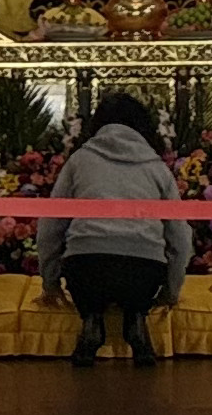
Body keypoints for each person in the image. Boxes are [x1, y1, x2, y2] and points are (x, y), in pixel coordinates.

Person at [40, 91, 188, 364]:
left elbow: (51, 224)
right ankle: (136, 319)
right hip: (144, 268)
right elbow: (179, 234)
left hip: (86, 265)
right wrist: (171, 290)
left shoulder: (80, 160)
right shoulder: (156, 167)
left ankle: (92, 320)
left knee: (89, 285)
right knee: (137, 288)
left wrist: (50, 282)